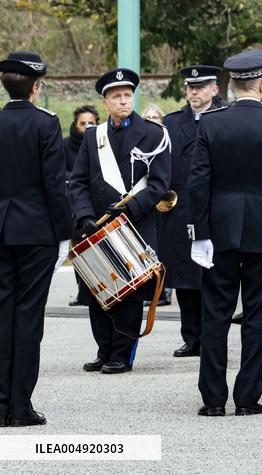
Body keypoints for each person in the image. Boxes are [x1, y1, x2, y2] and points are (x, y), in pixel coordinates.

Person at [188, 50, 262, 416]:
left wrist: (199, 233)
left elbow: (197, 183)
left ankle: (213, 398)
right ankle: (248, 396)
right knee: (256, 316)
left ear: (232, 86)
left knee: (215, 316)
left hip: (220, 230)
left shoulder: (210, 123)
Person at [68, 68, 171, 375]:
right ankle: (104, 349)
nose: (124, 101)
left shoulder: (154, 133)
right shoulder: (93, 136)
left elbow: (160, 184)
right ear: (106, 102)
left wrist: (129, 210)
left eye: (128, 95)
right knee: (98, 290)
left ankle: (122, 354)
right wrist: (85, 216)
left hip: (134, 225)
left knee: (128, 292)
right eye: (117, 97)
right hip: (99, 225)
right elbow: (79, 182)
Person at [0, 51, 71, 427]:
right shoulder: (46, 124)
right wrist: (65, 234)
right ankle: (20, 406)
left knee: (2, 316)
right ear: (36, 88)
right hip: (37, 231)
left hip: (2, 230)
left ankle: (0, 403)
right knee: (29, 318)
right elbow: (55, 188)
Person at [159, 65, 224, 358]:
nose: (194, 91)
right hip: (182, 206)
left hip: (217, 206)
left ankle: (212, 336)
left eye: (201, 86)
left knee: (214, 275)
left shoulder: (226, 118)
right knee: (185, 276)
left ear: (215, 89)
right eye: (191, 87)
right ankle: (191, 336)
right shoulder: (172, 123)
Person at [64, 105, 99, 307]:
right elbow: (60, 171)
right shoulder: (65, 145)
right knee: (78, 249)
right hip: (74, 204)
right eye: (82, 123)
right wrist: (78, 180)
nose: (86, 127)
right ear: (75, 124)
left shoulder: (100, 142)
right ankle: (82, 292)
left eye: (91, 123)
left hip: (95, 205)